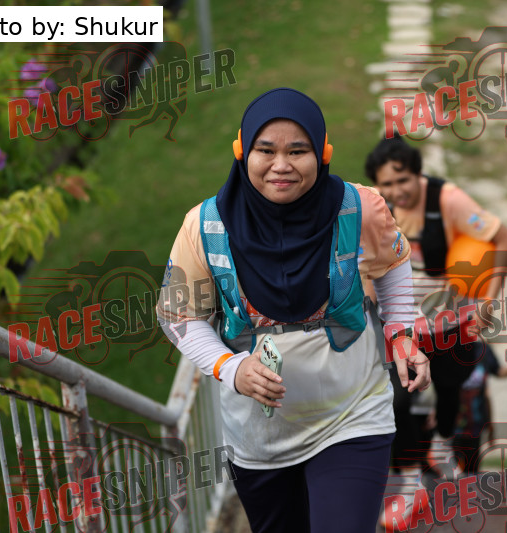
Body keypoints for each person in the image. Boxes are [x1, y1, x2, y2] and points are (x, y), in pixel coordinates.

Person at [156, 88, 431, 533]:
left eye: (297, 151)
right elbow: (178, 315)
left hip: (353, 415)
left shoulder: (358, 208)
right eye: (265, 150)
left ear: (322, 154)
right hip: (260, 439)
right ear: (242, 152)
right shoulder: (204, 227)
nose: (281, 165)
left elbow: (393, 261)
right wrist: (229, 366)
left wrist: (400, 332)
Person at [364, 136, 507, 525]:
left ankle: (444, 444)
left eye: (403, 180)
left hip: (452, 324)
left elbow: (504, 238)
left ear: (418, 174)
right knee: (395, 402)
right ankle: (410, 485)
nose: (397, 191)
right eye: (387, 184)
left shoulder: (448, 201)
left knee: (449, 393)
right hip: (402, 326)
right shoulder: (375, 208)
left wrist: (489, 299)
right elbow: (366, 261)